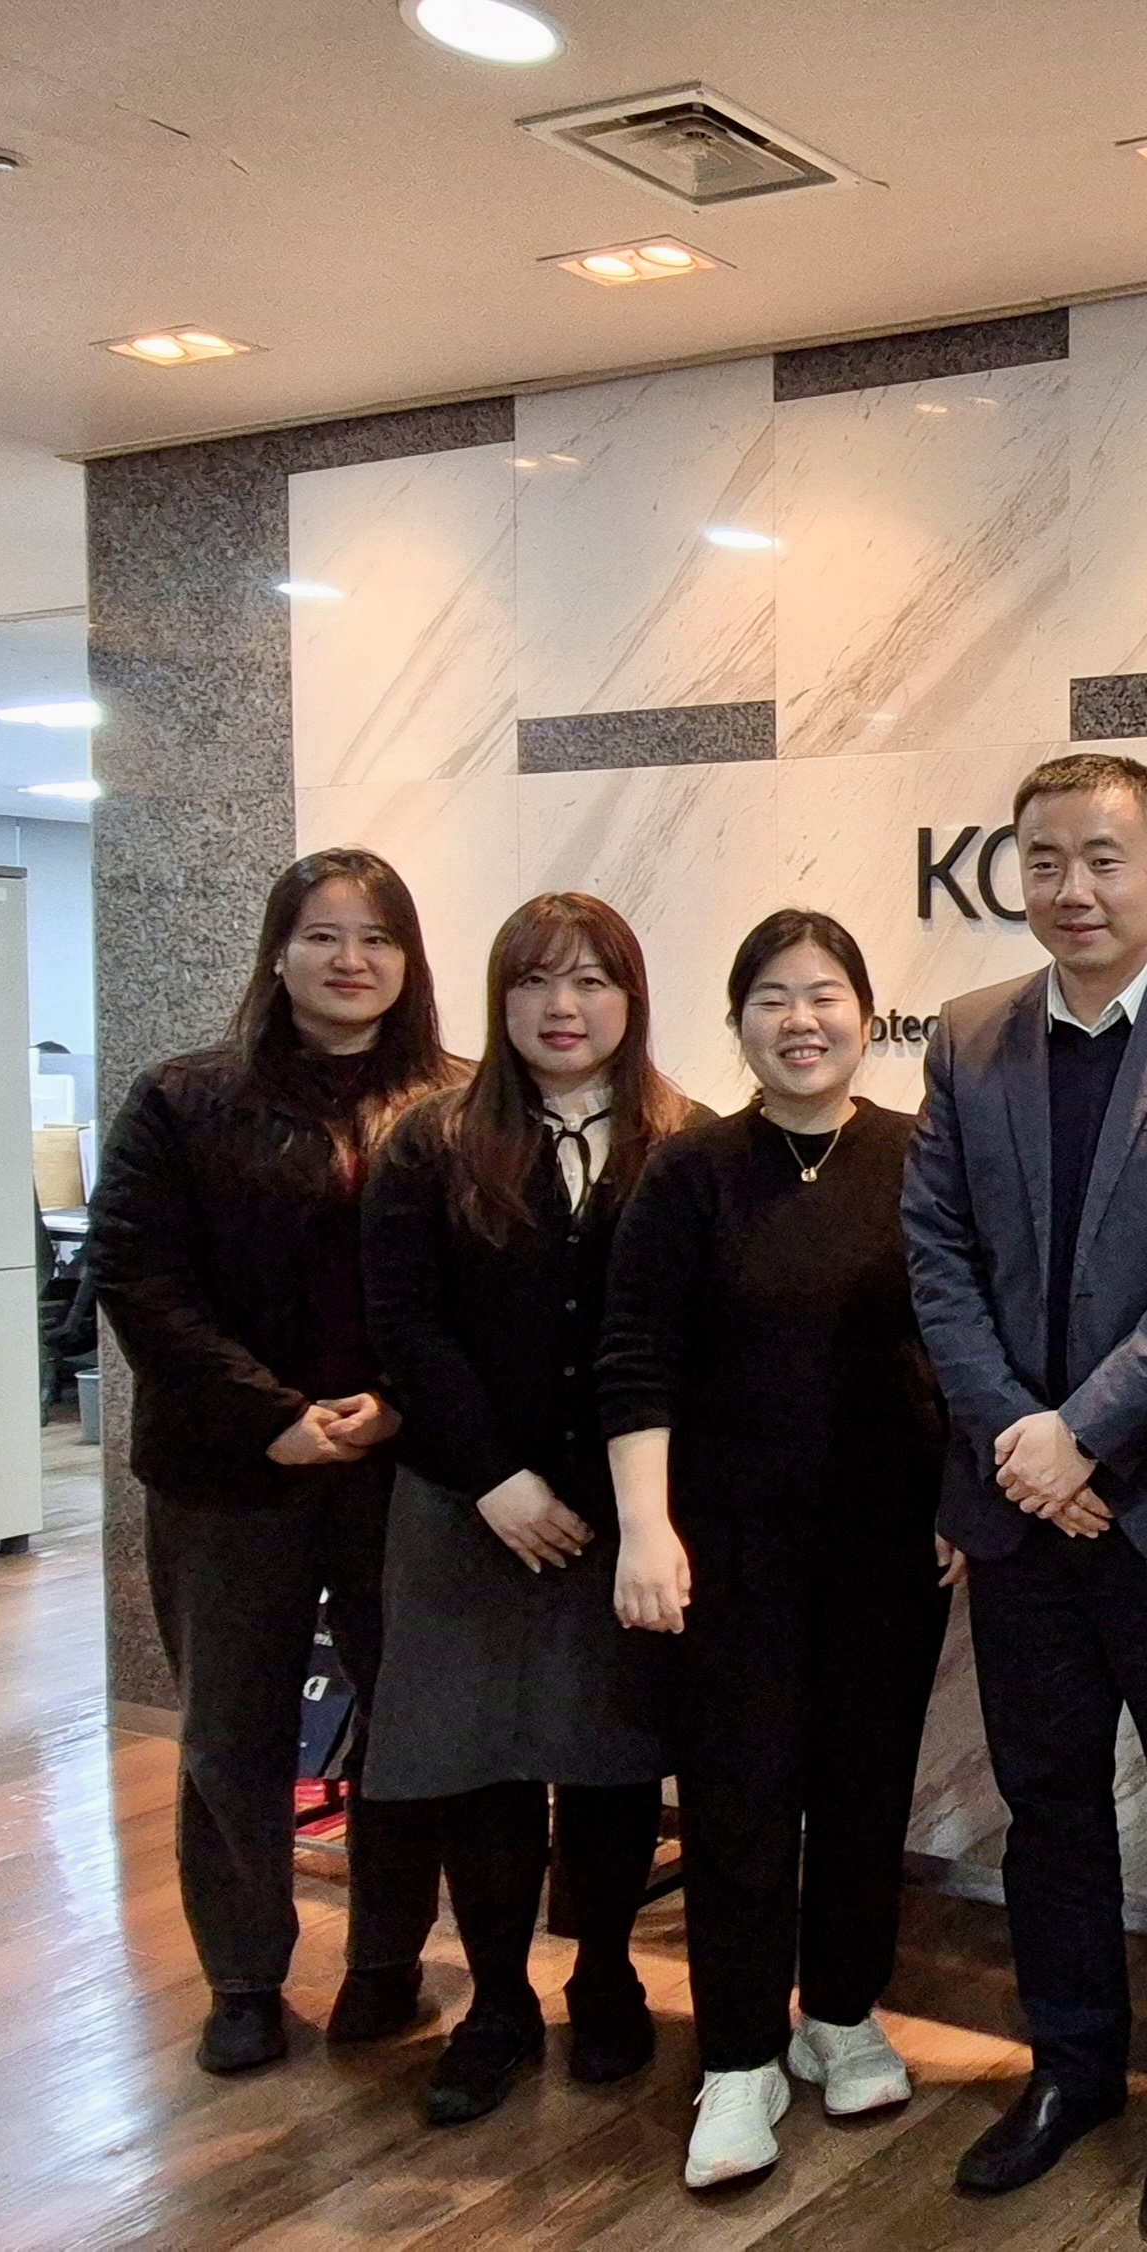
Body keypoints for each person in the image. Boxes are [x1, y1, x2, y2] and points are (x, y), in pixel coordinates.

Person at [902, 751, 1147, 2236]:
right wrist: (1024, 1438)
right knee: (1048, 1804)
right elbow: (937, 1257)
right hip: (1021, 1512)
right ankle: (1068, 2070)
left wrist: (1084, 1437)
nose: (1072, 888)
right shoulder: (967, 1036)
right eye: (1044, 860)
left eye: (1102, 857)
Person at [597, 909, 954, 2190]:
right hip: (727, 1546)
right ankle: (740, 2053)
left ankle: (842, 2012)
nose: (801, 1020)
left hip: (888, 1544)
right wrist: (645, 1523)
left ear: (866, 1012)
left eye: (824, 994)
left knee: (866, 1785)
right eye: (771, 998)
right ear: (738, 1020)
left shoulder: (924, 1156)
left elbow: (967, 1340)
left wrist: (963, 1496)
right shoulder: (689, 1171)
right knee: (739, 1797)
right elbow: (634, 1353)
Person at [87, 847, 456, 2074]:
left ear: (409, 960)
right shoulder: (183, 1096)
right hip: (226, 1469)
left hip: (401, 1468)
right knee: (231, 1729)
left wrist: (395, 1402)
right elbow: (138, 1276)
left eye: (378, 936)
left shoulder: (455, 1101)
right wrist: (271, 1415)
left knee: (409, 1720)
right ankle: (243, 1976)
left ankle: (386, 1960)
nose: (352, 959)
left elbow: (475, 1288)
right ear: (279, 951)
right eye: (324, 934)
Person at [361, 893, 702, 2124]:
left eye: (592, 980)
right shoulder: (431, 1139)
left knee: (609, 1755)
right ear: (498, 997)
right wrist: (494, 1477)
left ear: (633, 998)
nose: (564, 1007)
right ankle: (498, 2000)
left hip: (621, 1513)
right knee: (481, 1765)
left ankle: (605, 1970)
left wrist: (630, 1500)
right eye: (535, 981)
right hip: (466, 1506)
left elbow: (687, 1335)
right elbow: (404, 1322)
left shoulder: (684, 1141)